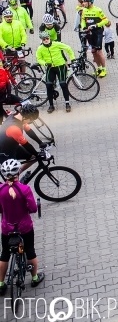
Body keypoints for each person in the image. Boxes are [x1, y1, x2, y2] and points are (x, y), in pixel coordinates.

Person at [0, 159, 43, 296]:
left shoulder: (0, 189)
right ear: (18, 172)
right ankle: (35, 278)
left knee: (5, 254)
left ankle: (1, 284)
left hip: (7, 229)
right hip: (24, 228)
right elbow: (33, 208)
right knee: (30, 250)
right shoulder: (24, 189)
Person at [0, 105, 44, 181]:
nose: (31, 122)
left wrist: (40, 142)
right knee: (12, 180)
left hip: (12, 147)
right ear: (26, 118)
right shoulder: (14, 128)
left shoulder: (18, 116)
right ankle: (11, 183)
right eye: (31, 120)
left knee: (33, 157)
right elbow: (26, 145)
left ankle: (17, 173)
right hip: (4, 153)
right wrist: (38, 154)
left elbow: (29, 131)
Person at [36, 31, 75, 114]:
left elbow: (68, 48)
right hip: (50, 67)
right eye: (44, 39)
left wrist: (72, 58)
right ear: (42, 40)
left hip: (60, 66)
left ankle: (67, 104)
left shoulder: (56, 44)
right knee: (48, 85)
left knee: (63, 84)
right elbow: (39, 58)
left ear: (50, 38)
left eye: (47, 38)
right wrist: (45, 63)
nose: (46, 40)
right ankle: (51, 105)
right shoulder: (40, 48)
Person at [79, 0, 109, 78]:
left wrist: (96, 25)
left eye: (85, 2)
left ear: (90, 2)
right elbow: (83, 20)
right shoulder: (84, 10)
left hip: (98, 32)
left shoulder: (98, 10)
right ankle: (98, 68)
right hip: (89, 33)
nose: (83, 3)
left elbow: (106, 20)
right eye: (83, 2)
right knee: (93, 51)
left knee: (99, 52)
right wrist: (84, 27)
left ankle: (104, 69)